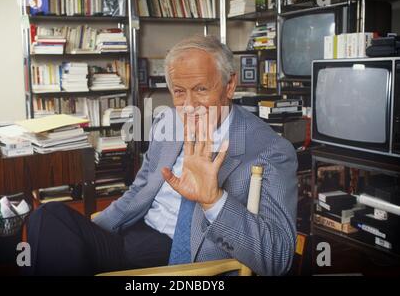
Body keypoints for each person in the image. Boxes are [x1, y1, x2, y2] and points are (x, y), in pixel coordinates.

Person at [24, 35, 298, 276]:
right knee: (47, 216)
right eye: (179, 92)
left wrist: (214, 201)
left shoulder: (270, 150)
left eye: (201, 89)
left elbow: (277, 258)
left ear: (229, 85)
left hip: (187, 261)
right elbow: (140, 189)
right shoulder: (168, 122)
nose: (189, 106)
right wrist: (92, 228)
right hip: (135, 236)